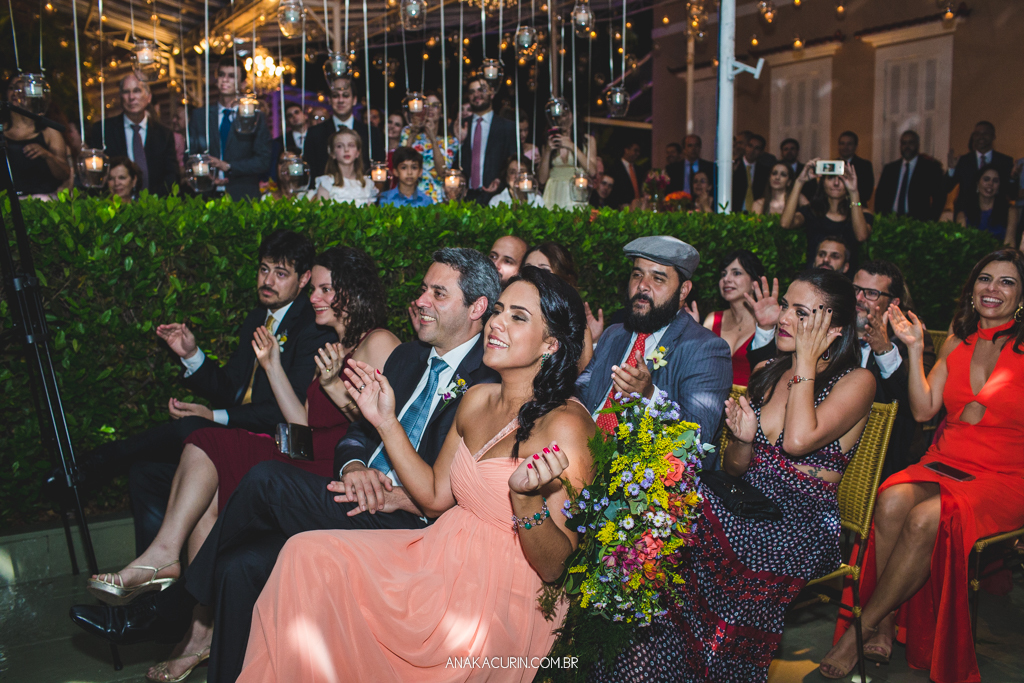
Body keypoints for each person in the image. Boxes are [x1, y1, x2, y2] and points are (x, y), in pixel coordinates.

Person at [69, 249, 503, 683]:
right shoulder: (409, 357)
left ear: (476, 308)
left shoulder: (487, 383)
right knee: (238, 565)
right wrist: (354, 467)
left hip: (408, 524)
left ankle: (170, 609)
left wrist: (399, 496)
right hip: (356, 493)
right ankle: (184, 622)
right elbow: (357, 433)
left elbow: (461, 487)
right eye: (423, 289)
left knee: (263, 479)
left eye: (438, 293)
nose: (420, 300)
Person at [233, 266, 594, 683]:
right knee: (305, 555)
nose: (497, 323)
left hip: (502, 592)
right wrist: (385, 421)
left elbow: (556, 567)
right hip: (437, 554)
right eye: (497, 311)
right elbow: (436, 496)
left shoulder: (568, 426)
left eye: (518, 316)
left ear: (550, 343)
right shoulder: (476, 399)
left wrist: (527, 502)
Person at [597, 268, 875, 683]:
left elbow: (798, 440)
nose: (783, 318)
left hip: (803, 523)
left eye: (801, 314)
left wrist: (805, 360)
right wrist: (743, 440)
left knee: (689, 525)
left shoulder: (856, 381)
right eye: (786, 307)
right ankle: (641, 656)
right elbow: (734, 469)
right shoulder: (768, 370)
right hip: (746, 504)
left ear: (834, 329)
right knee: (665, 508)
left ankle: (698, 662)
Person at [43, 231, 333, 552]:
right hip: (240, 430)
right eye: (264, 269)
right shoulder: (258, 317)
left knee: (191, 427)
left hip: (277, 440)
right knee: (144, 474)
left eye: (280, 274)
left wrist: (213, 416)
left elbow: (288, 410)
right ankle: (157, 574)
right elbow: (231, 389)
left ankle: (96, 464)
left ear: (303, 279)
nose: (267, 281)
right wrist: (191, 355)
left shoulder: (312, 327)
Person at [823, 249, 1024, 683]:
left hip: (1005, 476)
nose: (992, 289)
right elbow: (923, 410)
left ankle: (861, 628)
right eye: (985, 279)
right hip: (946, 461)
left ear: (1021, 295)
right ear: (971, 289)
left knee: (924, 519)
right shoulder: (957, 343)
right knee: (891, 499)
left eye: (1007, 282)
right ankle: (886, 619)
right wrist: (914, 349)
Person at [747, 262, 937, 479]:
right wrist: (766, 328)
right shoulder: (802, 333)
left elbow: (911, 408)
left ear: (893, 303)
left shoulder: (906, 339)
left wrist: (885, 352)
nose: (859, 298)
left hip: (882, 462)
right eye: (856, 289)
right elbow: (768, 378)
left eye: (871, 293)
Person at [576, 236, 732, 470]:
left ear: (683, 291)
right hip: (581, 459)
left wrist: (649, 397)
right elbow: (579, 395)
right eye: (637, 274)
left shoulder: (706, 349)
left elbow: (696, 441)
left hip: (646, 480)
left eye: (658, 278)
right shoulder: (613, 335)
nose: (642, 285)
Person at [187, 57, 272, 200]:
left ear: (243, 83)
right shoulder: (200, 116)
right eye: (221, 75)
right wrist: (206, 174)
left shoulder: (255, 117)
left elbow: (263, 160)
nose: (225, 80)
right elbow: (190, 155)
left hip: (243, 195)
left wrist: (228, 166)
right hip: (207, 194)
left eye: (232, 76)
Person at [85, 73, 179, 196]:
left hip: (155, 203)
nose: (131, 97)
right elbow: (95, 174)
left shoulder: (164, 134)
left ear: (148, 97)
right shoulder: (103, 130)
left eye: (137, 91)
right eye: (126, 92)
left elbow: (171, 175)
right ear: (120, 97)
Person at [782, 158, 873, 265]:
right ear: (823, 182)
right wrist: (799, 182)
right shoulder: (811, 211)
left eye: (842, 178)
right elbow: (785, 223)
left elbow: (861, 236)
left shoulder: (862, 213)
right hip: (815, 272)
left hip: (846, 273)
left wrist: (854, 192)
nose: (836, 183)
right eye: (831, 178)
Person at [523, 242, 595, 371]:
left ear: (565, 279)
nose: (534, 276)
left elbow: (584, 377)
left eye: (544, 271)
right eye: (529, 269)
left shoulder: (576, 327)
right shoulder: (509, 316)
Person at [696, 249, 764, 386]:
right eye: (723, 274)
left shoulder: (768, 324)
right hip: (712, 395)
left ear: (754, 282)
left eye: (736, 273)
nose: (726, 279)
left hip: (753, 397)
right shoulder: (713, 319)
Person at [303, 75, 385, 180]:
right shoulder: (315, 133)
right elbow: (310, 172)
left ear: (354, 100)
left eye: (345, 96)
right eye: (335, 96)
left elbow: (379, 169)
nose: (340, 100)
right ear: (329, 100)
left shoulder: (371, 133)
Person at [4, 77, 70, 196]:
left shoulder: (49, 132)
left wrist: (47, 155)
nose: (16, 92)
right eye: (12, 88)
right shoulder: (2, 130)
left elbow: (64, 174)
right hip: (6, 200)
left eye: (23, 88)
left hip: (41, 200)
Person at [462, 77, 517, 205]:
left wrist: (500, 180)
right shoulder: (461, 126)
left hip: (497, 197)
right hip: (465, 197)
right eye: (472, 92)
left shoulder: (507, 127)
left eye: (481, 90)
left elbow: (513, 161)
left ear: (492, 93)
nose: (476, 94)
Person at [399, 91, 457, 203]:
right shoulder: (407, 131)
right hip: (411, 195)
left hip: (437, 198)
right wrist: (412, 134)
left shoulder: (451, 141)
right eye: (426, 105)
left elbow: (443, 172)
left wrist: (433, 139)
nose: (430, 109)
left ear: (442, 112)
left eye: (435, 105)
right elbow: (401, 163)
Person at [874, 130, 946, 221]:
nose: (907, 146)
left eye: (911, 143)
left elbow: (939, 197)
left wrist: (931, 220)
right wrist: (880, 218)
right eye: (904, 143)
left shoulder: (929, 168)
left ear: (918, 145)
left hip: (917, 221)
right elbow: (880, 196)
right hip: (891, 220)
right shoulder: (890, 169)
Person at [538, 104, 597, 210]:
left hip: (576, 190)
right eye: (558, 116)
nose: (562, 119)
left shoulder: (588, 141)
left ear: (573, 114)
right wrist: (547, 151)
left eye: (565, 115)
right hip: (553, 192)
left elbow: (592, 171)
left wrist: (572, 146)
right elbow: (542, 180)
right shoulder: (549, 141)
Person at [945, 121, 1014, 204]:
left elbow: (1012, 194)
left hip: (996, 210)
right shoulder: (963, 161)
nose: (981, 137)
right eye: (977, 134)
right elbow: (946, 188)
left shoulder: (1005, 161)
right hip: (966, 209)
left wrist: (1013, 177)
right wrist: (951, 169)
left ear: (993, 136)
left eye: (985, 133)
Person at [305, 128, 379, 206]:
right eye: (339, 146)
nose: (346, 150)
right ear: (332, 153)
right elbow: (322, 211)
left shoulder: (367, 184)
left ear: (358, 152)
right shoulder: (327, 183)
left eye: (351, 145)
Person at [956, 163, 1019, 245]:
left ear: (999, 186)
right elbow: (961, 245)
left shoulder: (1011, 212)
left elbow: (1010, 244)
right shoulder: (963, 214)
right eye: (986, 179)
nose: (990, 183)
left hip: (1001, 253)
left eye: (995, 181)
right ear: (977, 184)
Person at [732, 133, 771, 213]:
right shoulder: (734, 165)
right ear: (746, 147)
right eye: (750, 146)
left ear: (761, 152)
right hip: (735, 212)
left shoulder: (764, 171)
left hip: (756, 212)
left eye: (757, 148)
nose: (752, 150)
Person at [606, 141, 648, 210]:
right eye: (635, 150)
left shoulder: (639, 170)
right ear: (626, 150)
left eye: (639, 151)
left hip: (638, 208)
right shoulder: (615, 168)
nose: (638, 154)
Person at [838, 130, 875, 203]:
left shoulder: (865, 165)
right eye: (842, 143)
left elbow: (867, 193)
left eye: (849, 144)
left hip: (858, 205)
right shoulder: (833, 164)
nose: (845, 147)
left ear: (855, 146)